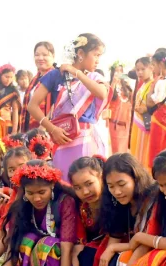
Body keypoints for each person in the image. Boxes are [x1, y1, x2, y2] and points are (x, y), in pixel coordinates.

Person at [82, 153, 159, 266]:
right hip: (137, 249)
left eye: (122, 184)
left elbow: (144, 244)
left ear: (136, 179)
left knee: (121, 257)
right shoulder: (117, 204)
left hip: (156, 250)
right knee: (107, 256)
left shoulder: (151, 199)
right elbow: (108, 250)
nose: (117, 191)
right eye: (110, 186)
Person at [0, 160, 78, 266]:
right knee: (26, 240)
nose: (37, 199)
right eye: (30, 193)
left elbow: (67, 251)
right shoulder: (22, 206)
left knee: (47, 243)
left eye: (42, 192)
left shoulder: (65, 202)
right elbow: (12, 249)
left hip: (68, 260)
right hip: (41, 257)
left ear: (52, 186)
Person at [29, 33, 111, 179]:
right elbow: (32, 106)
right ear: (80, 53)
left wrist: (75, 72)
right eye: (96, 55)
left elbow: (102, 94)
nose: (98, 60)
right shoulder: (55, 75)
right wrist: (52, 129)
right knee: (65, 182)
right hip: (62, 137)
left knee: (89, 181)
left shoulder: (94, 77)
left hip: (87, 139)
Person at [67, 156, 106, 266]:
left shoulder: (114, 200)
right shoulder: (80, 206)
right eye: (77, 188)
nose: (85, 192)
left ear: (101, 177)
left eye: (89, 184)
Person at [19, 42, 55, 133]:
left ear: (53, 57)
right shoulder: (34, 80)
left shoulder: (56, 77)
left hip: (48, 129)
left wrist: (43, 126)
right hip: (30, 129)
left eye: (45, 55)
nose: (40, 58)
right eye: (37, 55)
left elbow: (56, 105)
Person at [129, 57, 154, 166]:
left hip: (146, 125)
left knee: (144, 153)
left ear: (151, 68)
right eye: (137, 70)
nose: (139, 72)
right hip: (137, 124)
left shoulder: (154, 84)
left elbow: (157, 105)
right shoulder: (143, 85)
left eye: (143, 69)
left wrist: (146, 109)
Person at [0, 64, 21, 136]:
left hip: (6, 123)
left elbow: (15, 110)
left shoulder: (13, 91)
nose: (8, 80)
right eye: (6, 77)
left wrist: (14, 131)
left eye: (11, 77)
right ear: (0, 76)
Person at [110, 78, 133, 153]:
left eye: (120, 70)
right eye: (116, 71)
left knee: (122, 150)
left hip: (125, 125)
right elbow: (108, 98)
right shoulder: (111, 87)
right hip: (113, 124)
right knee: (113, 149)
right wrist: (113, 84)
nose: (118, 73)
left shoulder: (128, 90)